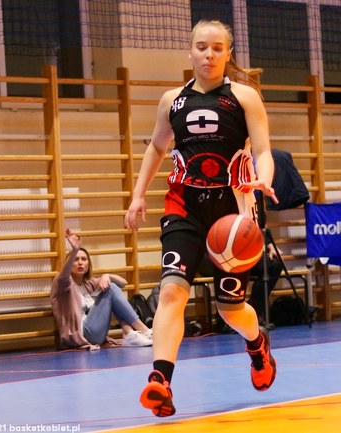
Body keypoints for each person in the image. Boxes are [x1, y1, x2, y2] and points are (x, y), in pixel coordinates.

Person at [124, 19, 279, 417]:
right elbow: (156, 148)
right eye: (202, 47)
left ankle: (257, 344)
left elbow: (262, 150)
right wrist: (138, 196)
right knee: (172, 292)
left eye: (217, 48)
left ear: (228, 53)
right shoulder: (171, 100)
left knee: (230, 309)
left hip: (232, 211)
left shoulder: (244, 97)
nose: (209, 54)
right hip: (184, 206)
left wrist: (264, 178)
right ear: (190, 51)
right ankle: (160, 381)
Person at [50, 229, 153, 350]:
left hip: (96, 333)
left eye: (84, 259)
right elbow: (64, 275)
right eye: (76, 259)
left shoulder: (88, 283)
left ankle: (129, 332)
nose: (80, 263)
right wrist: (75, 250)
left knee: (111, 288)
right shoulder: (62, 284)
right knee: (110, 288)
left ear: (88, 265)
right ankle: (145, 331)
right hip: (82, 334)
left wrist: (107, 276)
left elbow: (123, 283)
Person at [249, 241, 283, 327]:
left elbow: (264, 234)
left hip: (250, 252)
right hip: (227, 253)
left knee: (275, 265)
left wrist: (272, 247)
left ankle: (256, 311)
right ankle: (225, 319)